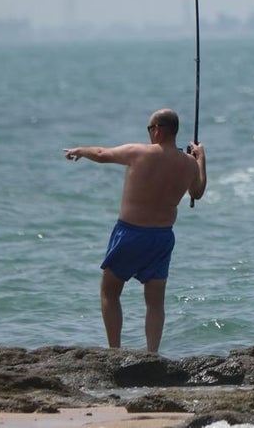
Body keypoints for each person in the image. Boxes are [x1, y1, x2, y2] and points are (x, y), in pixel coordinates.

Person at [64, 108, 206, 353]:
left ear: (158, 130)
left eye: (149, 129)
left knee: (109, 291)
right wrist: (201, 159)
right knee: (155, 301)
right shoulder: (189, 164)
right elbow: (197, 192)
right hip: (161, 237)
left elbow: (100, 154)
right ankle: (152, 353)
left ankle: (115, 351)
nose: (149, 134)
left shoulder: (139, 152)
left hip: (130, 234)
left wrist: (80, 151)